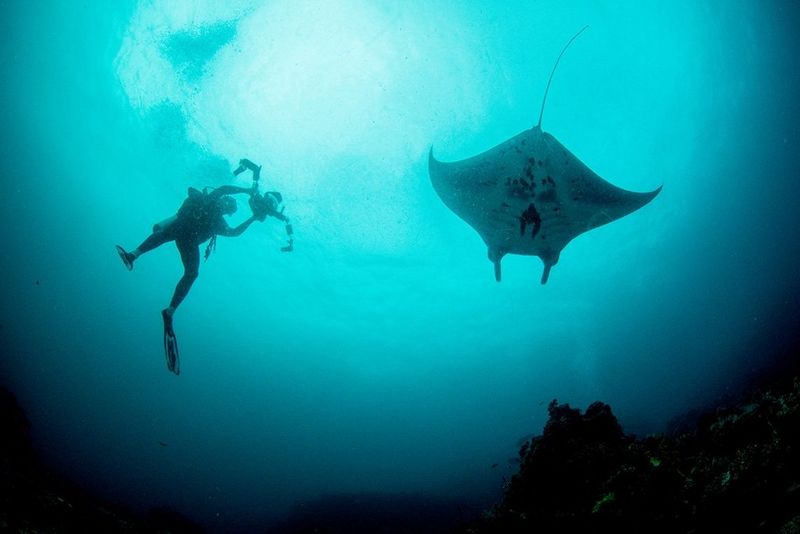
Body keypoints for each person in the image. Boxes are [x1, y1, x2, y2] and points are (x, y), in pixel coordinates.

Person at [116, 160, 287, 374]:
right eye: (228, 203)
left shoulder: (219, 223)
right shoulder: (211, 200)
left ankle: (169, 311)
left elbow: (233, 232)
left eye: (231, 209)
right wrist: (246, 190)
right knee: (166, 234)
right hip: (181, 229)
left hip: (188, 242)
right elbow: (224, 189)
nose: (229, 207)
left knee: (192, 273)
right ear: (224, 201)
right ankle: (133, 254)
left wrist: (253, 218)